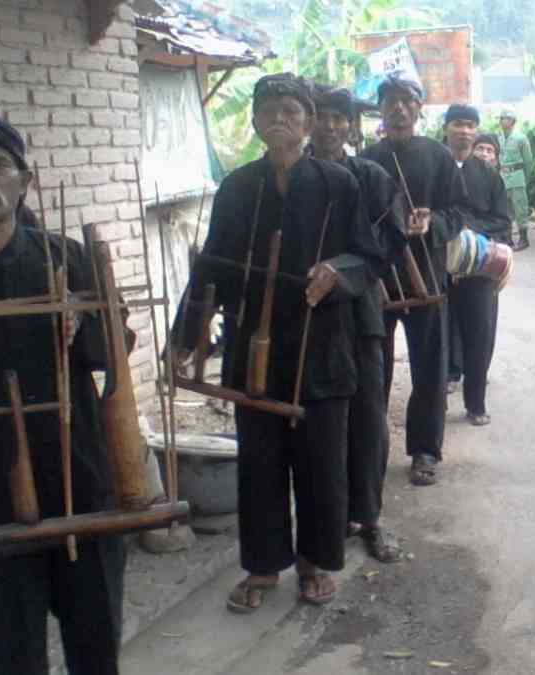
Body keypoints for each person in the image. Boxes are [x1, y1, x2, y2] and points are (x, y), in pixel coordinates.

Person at [174, 73, 397, 611]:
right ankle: (263, 566)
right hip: (256, 343)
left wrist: (336, 273)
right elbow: (211, 265)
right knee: (260, 460)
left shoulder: (339, 184)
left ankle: (314, 562)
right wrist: (188, 332)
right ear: (253, 121)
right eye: (269, 110)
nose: (280, 120)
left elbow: (369, 257)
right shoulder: (236, 187)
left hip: (322, 345)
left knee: (322, 461)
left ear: (309, 121)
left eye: (292, 111)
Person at [0, 114, 126, 674]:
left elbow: (111, 357)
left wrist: (87, 320)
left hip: (80, 478)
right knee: (15, 655)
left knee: (96, 646)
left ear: (25, 181)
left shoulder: (66, 257)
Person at [308, 84, 407, 563]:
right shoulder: (289, 175)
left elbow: (391, 241)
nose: (329, 125)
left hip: (362, 312)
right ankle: (323, 520)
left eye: (338, 118)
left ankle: (369, 516)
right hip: (303, 317)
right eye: (321, 115)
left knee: (368, 415)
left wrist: (346, 272)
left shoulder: (370, 175)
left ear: (351, 125)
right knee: (316, 423)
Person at [361, 75, 463, 487]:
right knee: (374, 367)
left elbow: (458, 213)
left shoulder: (438, 157)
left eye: (406, 101)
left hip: (428, 278)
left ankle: (425, 450)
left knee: (429, 367)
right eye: (390, 101)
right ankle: (371, 447)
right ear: (381, 110)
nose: (398, 109)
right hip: (378, 280)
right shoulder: (366, 159)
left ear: (420, 109)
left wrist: (431, 222)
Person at [443, 107, 512, 426]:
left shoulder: (488, 175)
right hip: (437, 265)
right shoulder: (433, 166)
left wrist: (470, 234)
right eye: (458, 124)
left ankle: (476, 403)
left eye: (471, 125)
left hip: (479, 265)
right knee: (436, 332)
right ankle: (437, 392)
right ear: (446, 129)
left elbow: (502, 222)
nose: (465, 131)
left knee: (479, 333)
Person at [498, 109, 533, 251]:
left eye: (504, 118)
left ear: (512, 121)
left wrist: (526, 178)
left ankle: (524, 239)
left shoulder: (521, 138)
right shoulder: (499, 138)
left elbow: (528, 161)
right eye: (500, 118)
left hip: (517, 176)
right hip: (502, 177)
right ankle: (508, 239)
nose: (501, 121)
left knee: (520, 209)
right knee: (504, 210)